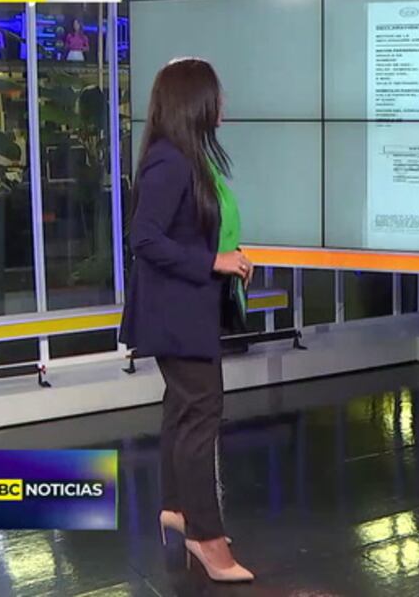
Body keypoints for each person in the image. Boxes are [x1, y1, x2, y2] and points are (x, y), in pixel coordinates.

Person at [119, 58, 254, 583]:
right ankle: (205, 536)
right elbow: (144, 238)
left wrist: (228, 256)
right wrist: (213, 261)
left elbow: (187, 229)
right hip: (176, 314)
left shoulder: (182, 157)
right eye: (217, 95)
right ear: (194, 102)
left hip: (182, 310)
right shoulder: (170, 162)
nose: (224, 105)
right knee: (201, 415)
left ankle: (177, 508)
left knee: (182, 410)